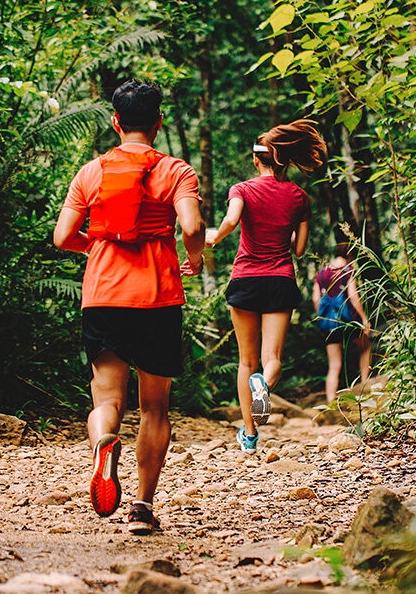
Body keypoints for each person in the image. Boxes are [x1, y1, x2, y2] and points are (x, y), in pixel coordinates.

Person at [52, 79, 204, 535]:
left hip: (103, 296)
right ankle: (141, 506)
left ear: (116, 121)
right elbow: (192, 226)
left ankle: (103, 441)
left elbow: (63, 237)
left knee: (107, 398)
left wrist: (99, 247)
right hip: (157, 297)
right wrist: (191, 257)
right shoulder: (176, 171)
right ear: (159, 122)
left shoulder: (91, 172)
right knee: (154, 407)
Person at [206, 119, 327, 452]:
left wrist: (215, 237)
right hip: (279, 280)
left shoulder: (242, 189)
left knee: (247, 362)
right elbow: (299, 250)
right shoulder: (299, 197)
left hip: (245, 279)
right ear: (285, 160)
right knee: (271, 358)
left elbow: (231, 220)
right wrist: (285, 232)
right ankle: (265, 386)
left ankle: (249, 434)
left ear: (257, 160)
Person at [312, 242, 371, 405]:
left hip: (329, 325)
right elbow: (353, 297)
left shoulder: (321, 273)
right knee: (365, 347)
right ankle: (365, 386)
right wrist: (364, 318)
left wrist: (324, 317)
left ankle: (330, 402)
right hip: (348, 322)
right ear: (350, 255)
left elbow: (316, 299)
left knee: (334, 364)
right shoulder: (348, 270)